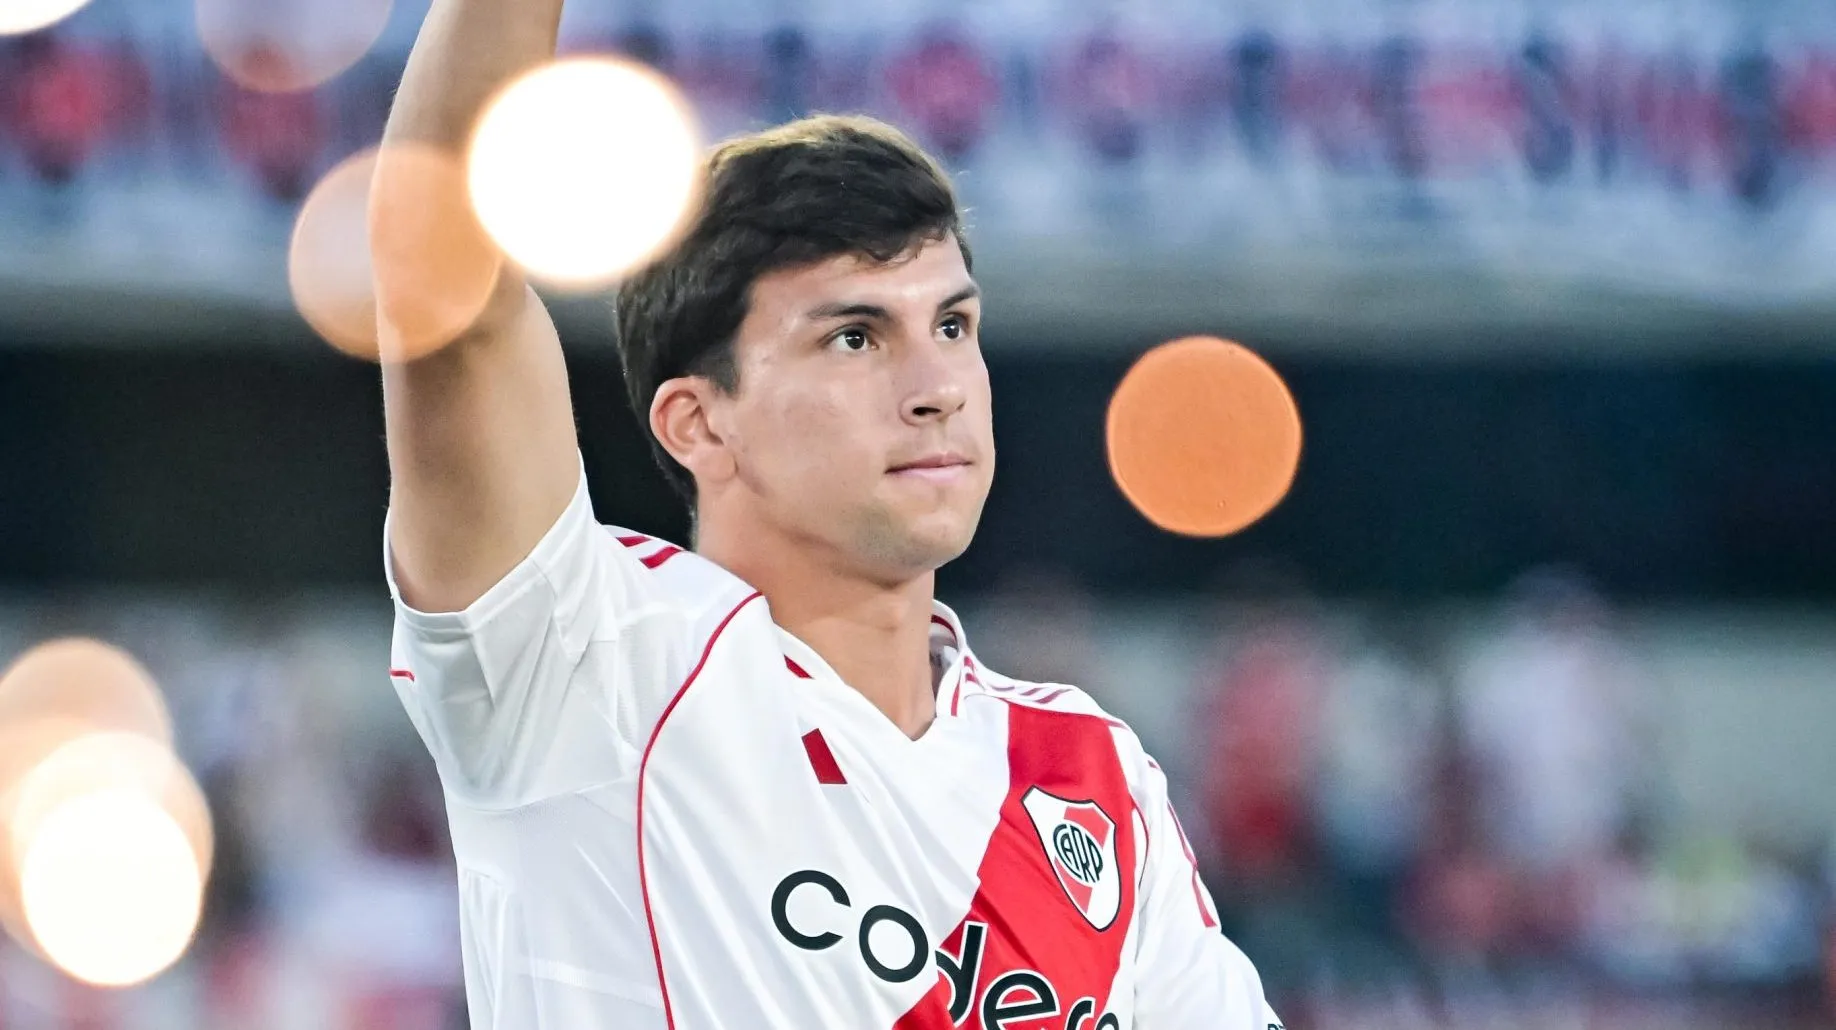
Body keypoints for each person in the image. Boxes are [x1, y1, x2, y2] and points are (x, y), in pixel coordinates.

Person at [374, 0, 1280, 1026]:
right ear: (698, 424)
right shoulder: (587, 665)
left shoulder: (1089, 772)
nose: (938, 384)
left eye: (952, 323)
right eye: (857, 337)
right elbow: (437, 275)